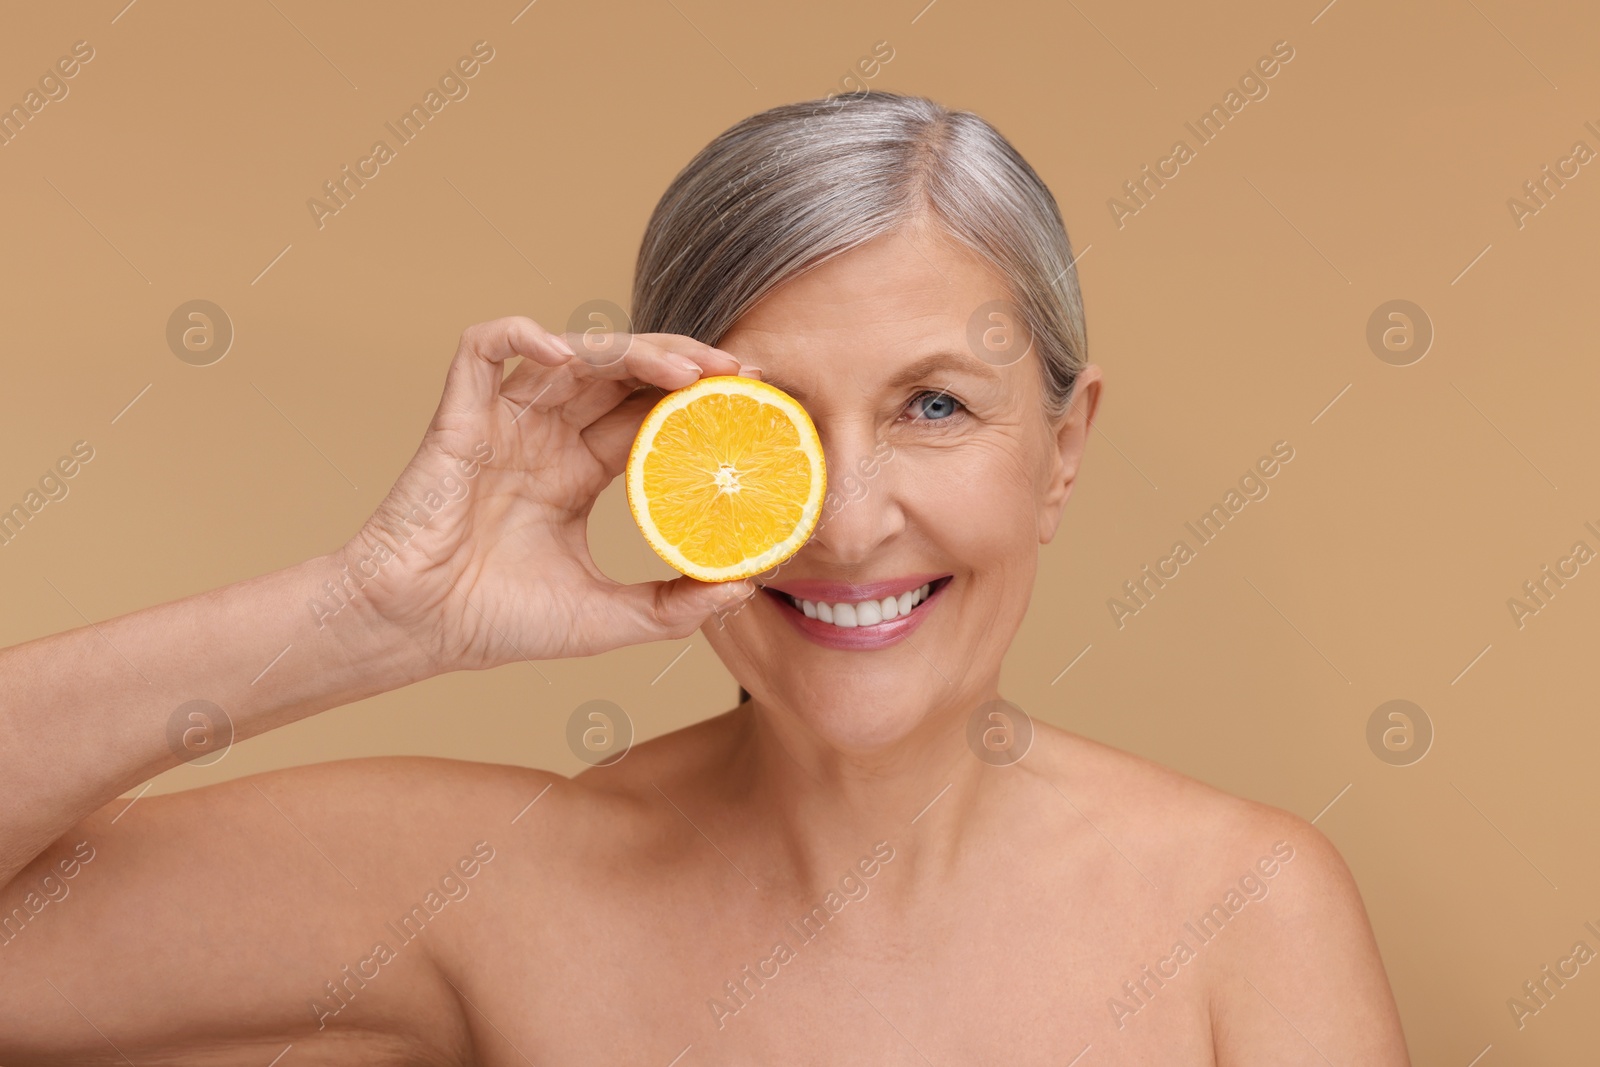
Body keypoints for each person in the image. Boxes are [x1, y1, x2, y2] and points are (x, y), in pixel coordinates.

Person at [0, 91, 1409, 1064]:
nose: (849, 525)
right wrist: (377, 611)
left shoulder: (1249, 910)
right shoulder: (497, 887)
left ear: (1062, 447)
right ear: (670, 453)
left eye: (934, 406)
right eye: (774, 425)